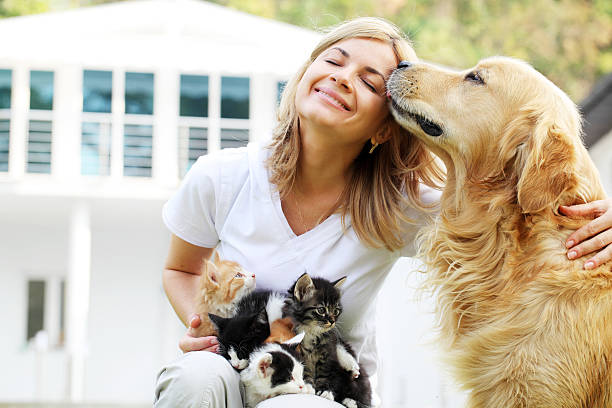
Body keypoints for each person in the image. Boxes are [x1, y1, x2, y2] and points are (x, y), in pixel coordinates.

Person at [154, 17, 612, 408]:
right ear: (303, 77)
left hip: (321, 388)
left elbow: (514, 220)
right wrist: (210, 326)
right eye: (333, 61)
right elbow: (180, 268)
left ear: (384, 128)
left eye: (371, 82)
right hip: (234, 365)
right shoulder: (223, 175)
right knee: (195, 377)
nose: (342, 77)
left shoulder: (402, 210)